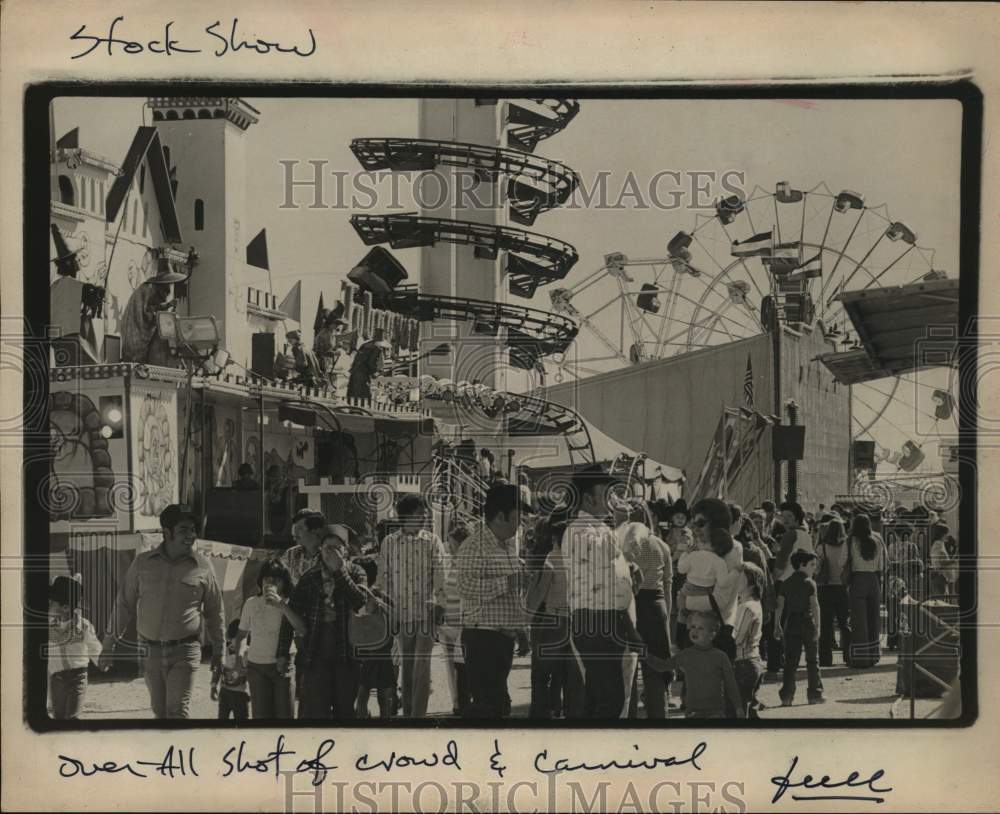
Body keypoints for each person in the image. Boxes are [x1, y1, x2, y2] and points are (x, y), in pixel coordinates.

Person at [101, 504, 225, 719]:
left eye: (193, 530)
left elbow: (215, 611)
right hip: (150, 652)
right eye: (184, 530)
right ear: (166, 533)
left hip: (185, 650)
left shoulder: (203, 566)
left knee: (177, 712)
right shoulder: (142, 563)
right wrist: (108, 645)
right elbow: (124, 604)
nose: (191, 536)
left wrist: (219, 651)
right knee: (160, 713)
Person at [564, 466, 638, 719]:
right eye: (606, 494)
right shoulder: (582, 530)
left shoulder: (596, 529)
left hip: (605, 621)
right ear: (587, 498)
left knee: (603, 696)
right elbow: (604, 564)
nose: (612, 501)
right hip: (597, 621)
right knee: (610, 699)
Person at [276, 524, 368, 718]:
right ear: (320, 549)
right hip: (315, 654)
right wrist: (282, 652)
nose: (332, 552)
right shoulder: (309, 578)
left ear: (346, 550)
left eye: (337, 548)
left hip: (348, 656)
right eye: (327, 547)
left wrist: (339, 573)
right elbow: (291, 614)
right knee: (316, 713)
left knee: (345, 713)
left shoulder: (357, 572)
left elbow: (360, 603)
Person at [458, 483, 531, 718]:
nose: (521, 523)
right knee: (490, 708)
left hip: (501, 639)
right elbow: (465, 587)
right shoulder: (474, 546)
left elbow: (512, 595)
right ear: (501, 516)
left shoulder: (507, 547)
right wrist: (507, 582)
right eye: (517, 517)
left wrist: (520, 629)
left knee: (497, 705)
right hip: (482, 639)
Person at [375, 495, 447, 718]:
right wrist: (384, 606)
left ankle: (418, 716)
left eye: (425, 513)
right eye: (419, 514)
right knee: (407, 667)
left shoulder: (432, 541)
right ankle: (408, 715)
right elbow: (383, 577)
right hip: (400, 614)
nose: (424, 517)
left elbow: (440, 574)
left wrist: (440, 603)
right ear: (405, 517)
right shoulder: (390, 542)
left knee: (421, 665)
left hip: (426, 612)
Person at [524, 511, 584, 719]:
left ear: (554, 538)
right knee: (573, 678)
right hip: (576, 622)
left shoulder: (552, 558)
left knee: (541, 675)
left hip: (553, 621)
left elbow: (539, 592)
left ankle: (540, 715)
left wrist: (525, 619)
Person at [620, 521, 674, 719]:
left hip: (632, 603)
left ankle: (630, 715)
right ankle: (659, 715)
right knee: (656, 666)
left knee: (630, 666)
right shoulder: (662, 546)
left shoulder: (625, 545)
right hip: (656, 604)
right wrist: (666, 614)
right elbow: (668, 583)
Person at [647, 612, 745, 719]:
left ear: (712, 635)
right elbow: (662, 666)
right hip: (693, 712)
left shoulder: (720, 657)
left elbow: (731, 684)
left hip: (716, 712)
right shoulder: (686, 654)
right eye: (693, 626)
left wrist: (738, 707)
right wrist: (645, 655)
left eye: (700, 628)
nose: (695, 630)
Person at [237, 560, 303, 719]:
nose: (270, 584)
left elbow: (301, 629)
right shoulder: (251, 603)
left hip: (283, 666)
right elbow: (241, 635)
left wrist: (281, 606)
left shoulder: (290, 602)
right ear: (261, 580)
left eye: (276, 580)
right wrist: (239, 656)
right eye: (267, 579)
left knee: (284, 716)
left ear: (284, 582)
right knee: (261, 718)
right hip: (256, 667)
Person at [774, 550, 825, 705]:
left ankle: (787, 696)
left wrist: (777, 625)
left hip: (792, 622)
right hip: (808, 622)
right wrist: (819, 626)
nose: (814, 568)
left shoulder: (786, 583)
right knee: (812, 660)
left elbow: (780, 606)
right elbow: (815, 606)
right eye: (812, 565)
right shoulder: (810, 583)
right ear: (802, 564)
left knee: (790, 661)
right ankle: (815, 694)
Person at [48, 574, 101, 720]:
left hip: (78, 676)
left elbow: (93, 646)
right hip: (56, 677)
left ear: (65, 607)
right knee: (58, 717)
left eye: (52, 603)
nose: (49, 605)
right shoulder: (47, 627)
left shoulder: (83, 626)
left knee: (72, 717)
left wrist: (102, 661)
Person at [351, 557, 396, 720]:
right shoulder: (376, 596)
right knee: (378, 697)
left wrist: (379, 604)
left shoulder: (374, 596)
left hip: (370, 653)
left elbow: (395, 618)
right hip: (378, 652)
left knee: (365, 695)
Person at [121, 258, 186, 367]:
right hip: (137, 335)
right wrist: (168, 307)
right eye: (168, 283)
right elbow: (150, 313)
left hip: (138, 332)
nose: (169, 287)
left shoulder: (152, 289)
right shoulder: (149, 289)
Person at [440, 521, 472, 717]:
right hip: (446, 624)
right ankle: (456, 704)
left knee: (463, 666)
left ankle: (465, 703)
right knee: (450, 666)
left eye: (453, 545)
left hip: (464, 623)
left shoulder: (471, 566)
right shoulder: (448, 563)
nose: (450, 548)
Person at [846, 514, 886, 668]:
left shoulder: (851, 540)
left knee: (859, 620)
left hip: (858, 579)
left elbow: (844, 560)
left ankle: (861, 658)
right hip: (874, 579)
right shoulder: (878, 539)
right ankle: (874, 655)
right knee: (874, 618)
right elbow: (883, 563)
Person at [814, 518, 852, 667]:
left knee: (825, 625)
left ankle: (825, 658)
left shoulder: (821, 548)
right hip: (843, 587)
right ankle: (848, 656)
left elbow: (816, 569)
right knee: (845, 624)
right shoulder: (846, 546)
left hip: (825, 587)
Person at [733, 562, 766, 718]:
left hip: (744, 664)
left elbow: (737, 639)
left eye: (740, 577)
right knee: (750, 711)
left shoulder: (746, 607)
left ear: (751, 583)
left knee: (740, 711)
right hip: (753, 662)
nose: (735, 580)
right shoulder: (755, 604)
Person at [212, 620, 250, 721]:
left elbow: (217, 668)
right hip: (240, 694)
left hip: (225, 693)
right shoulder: (247, 651)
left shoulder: (224, 649)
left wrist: (213, 685)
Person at [929, 524, 958, 599]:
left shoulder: (941, 544)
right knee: (943, 601)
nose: (948, 536)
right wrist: (954, 561)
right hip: (941, 577)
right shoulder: (937, 545)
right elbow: (940, 562)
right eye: (947, 533)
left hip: (944, 578)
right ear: (942, 534)